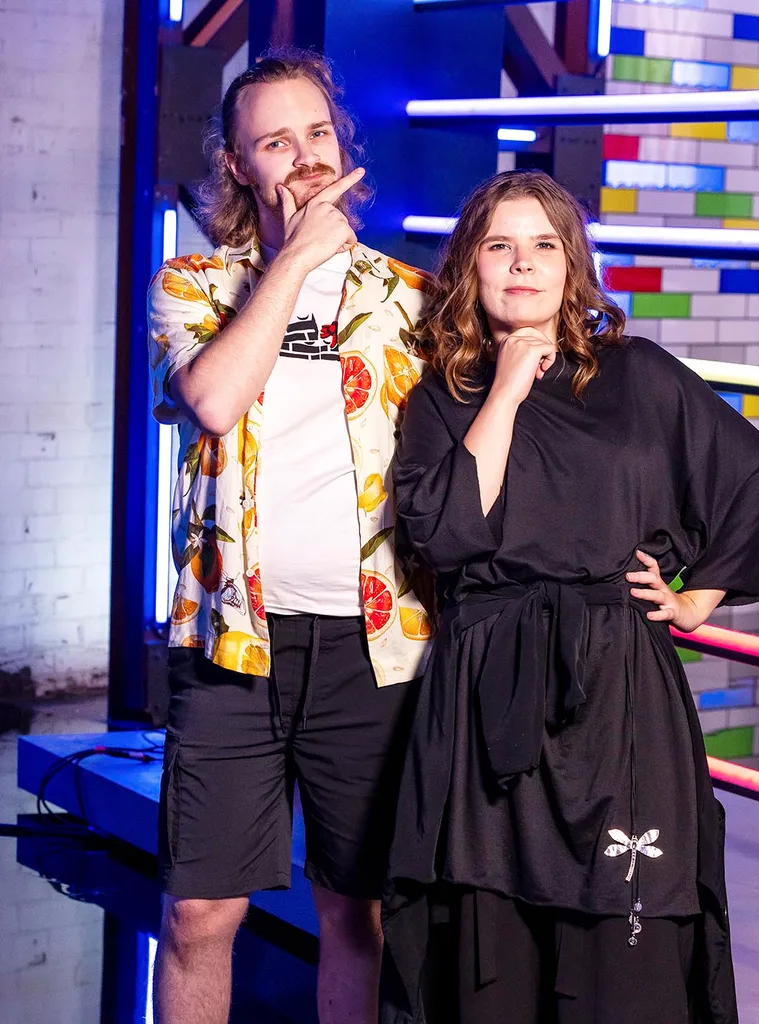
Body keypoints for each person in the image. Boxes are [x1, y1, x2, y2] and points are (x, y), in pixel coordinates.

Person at [380, 169, 759, 1024]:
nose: (523, 263)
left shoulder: (637, 376)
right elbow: (449, 532)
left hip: (617, 691)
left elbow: (753, 480)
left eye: (544, 245)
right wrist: (504, 385)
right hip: (484, 691)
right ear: (470, 267)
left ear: (573, 266)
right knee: (492, 953)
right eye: (499, 245)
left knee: (627, 943)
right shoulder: (439, 396)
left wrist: (697, 599)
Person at [146, 48, 432, 1024]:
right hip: (233, 646)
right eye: (275, 141)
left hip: (374, 650)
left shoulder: (415, 303)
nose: (305, 157)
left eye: (317, 134)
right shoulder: (191, 284)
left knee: (357, 913)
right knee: (198, 913)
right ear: (237, 166)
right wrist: (298, 259)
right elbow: (216, 398)